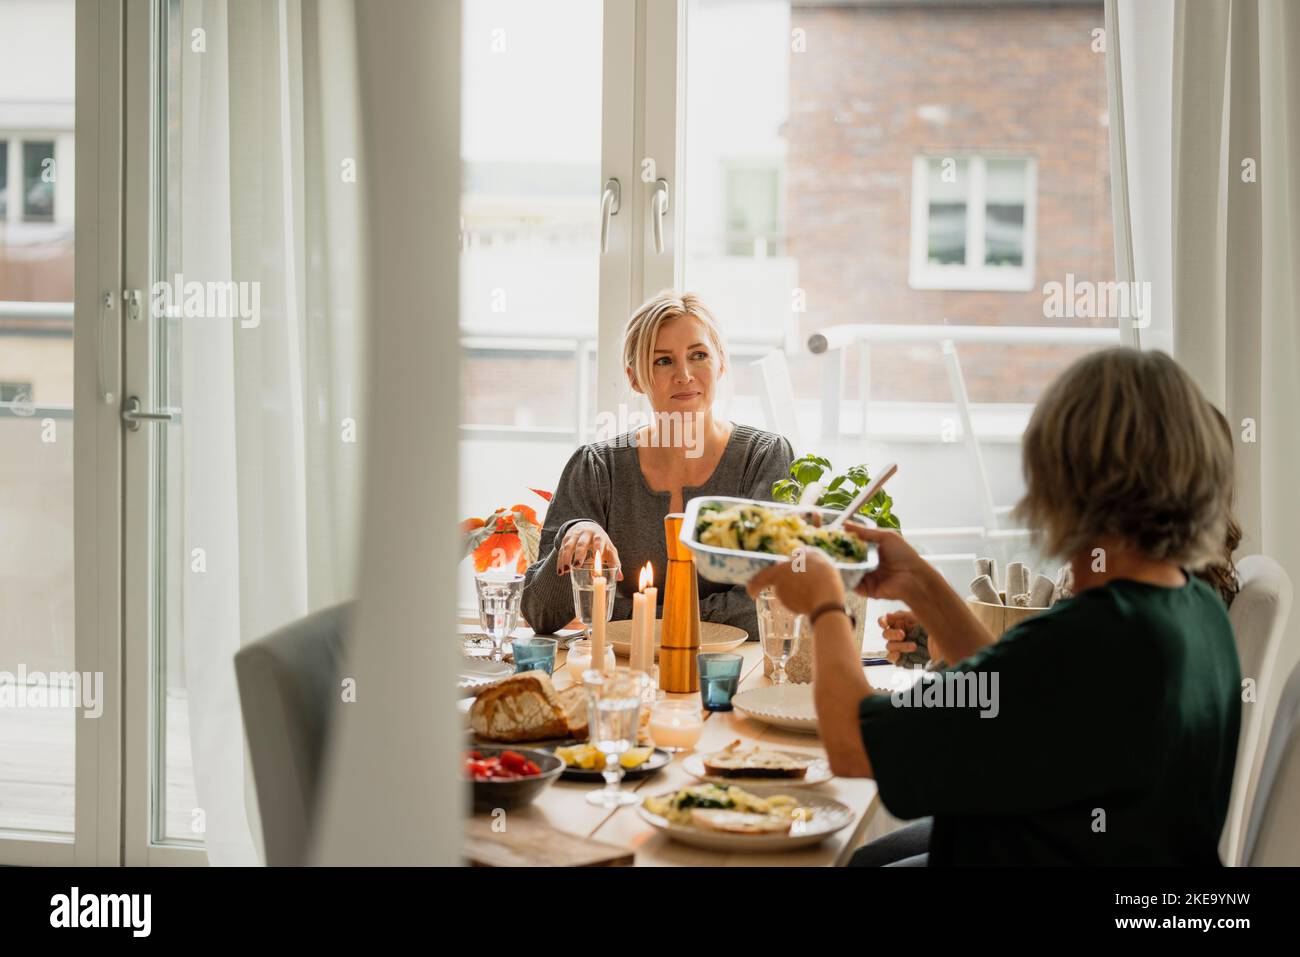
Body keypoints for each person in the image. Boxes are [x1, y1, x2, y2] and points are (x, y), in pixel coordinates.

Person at [748, 348, 1241, 865]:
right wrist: (918, 581)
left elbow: (853, 744)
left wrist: (827, 604)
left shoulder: (1091, 639)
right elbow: (1007, 696)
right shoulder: (1196, 609)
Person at [521, 291, 793, 638]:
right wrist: (571, 537)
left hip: (730, 673)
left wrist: (630, 615)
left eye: (698, 355)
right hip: (619, 676)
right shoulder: (595, 467)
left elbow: (764, 603)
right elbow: (540, 614)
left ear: (721, 364)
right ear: (635, 377)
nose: (684, 374)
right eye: (663, 361)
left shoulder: (764, 458)